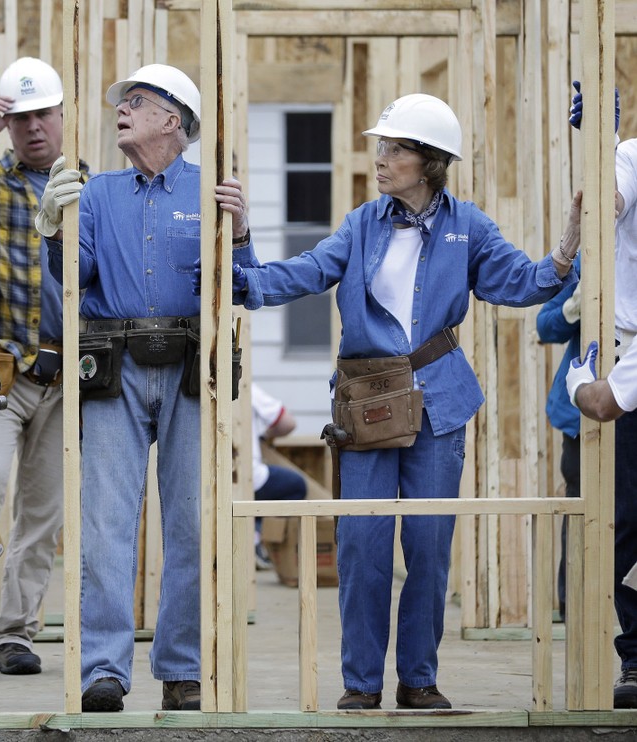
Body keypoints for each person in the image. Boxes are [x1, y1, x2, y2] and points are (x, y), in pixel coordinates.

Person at [215, 93, 578, 710]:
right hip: (367, 403)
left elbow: (524, 282)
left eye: (395, 147)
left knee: (431, 547)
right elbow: (291, 277)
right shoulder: (361, 224)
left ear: (430, 161)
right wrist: (243, 237)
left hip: (439, 402)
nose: (380, 158)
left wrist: (568, 248)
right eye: (381, 146)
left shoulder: (471, 227)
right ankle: (361, 685)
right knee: (362, 547)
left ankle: (419, 680)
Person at [39, 63, 254, 712]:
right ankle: (102, 668)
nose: (121, 111)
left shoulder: (212, 192)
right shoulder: (97, 192)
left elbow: (246, 284)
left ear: (173, 120)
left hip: (193, 365)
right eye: (122, 103)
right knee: (104, 524)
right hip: (115, 365)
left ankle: (182, 668)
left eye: (136, 102)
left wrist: (240, 235)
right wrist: (55, 232)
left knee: (190, 525)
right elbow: (74, 283)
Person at [0, 57, 88, 679]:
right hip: (1, 377)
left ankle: (15, 631)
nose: (33, 128)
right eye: (21, 117)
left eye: (43, 115)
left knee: (43, 514)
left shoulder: (91, 191)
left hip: (68, 378)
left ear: (64, 116)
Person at [567, 80, 637, 709]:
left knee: (627, 522)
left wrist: (577, 382)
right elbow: (605, 203)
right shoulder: (634, 159)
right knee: (628, 521)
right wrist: (601, 146)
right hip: (630, 346)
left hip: (625, 363)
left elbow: (601, 402)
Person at [536, 235, 582, 622]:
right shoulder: (586, 263)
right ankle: (574, 606)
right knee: (580, 507)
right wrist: (573, 307)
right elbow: (546, 327)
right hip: (583, 417)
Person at [250, 383, 307, 569]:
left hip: (208, 481)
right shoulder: (245, 386)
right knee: (297, 486)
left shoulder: (198, 382)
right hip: (249, 476)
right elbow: (287, 423)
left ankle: (253, 534)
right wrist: (265, 436)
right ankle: (257, 537)